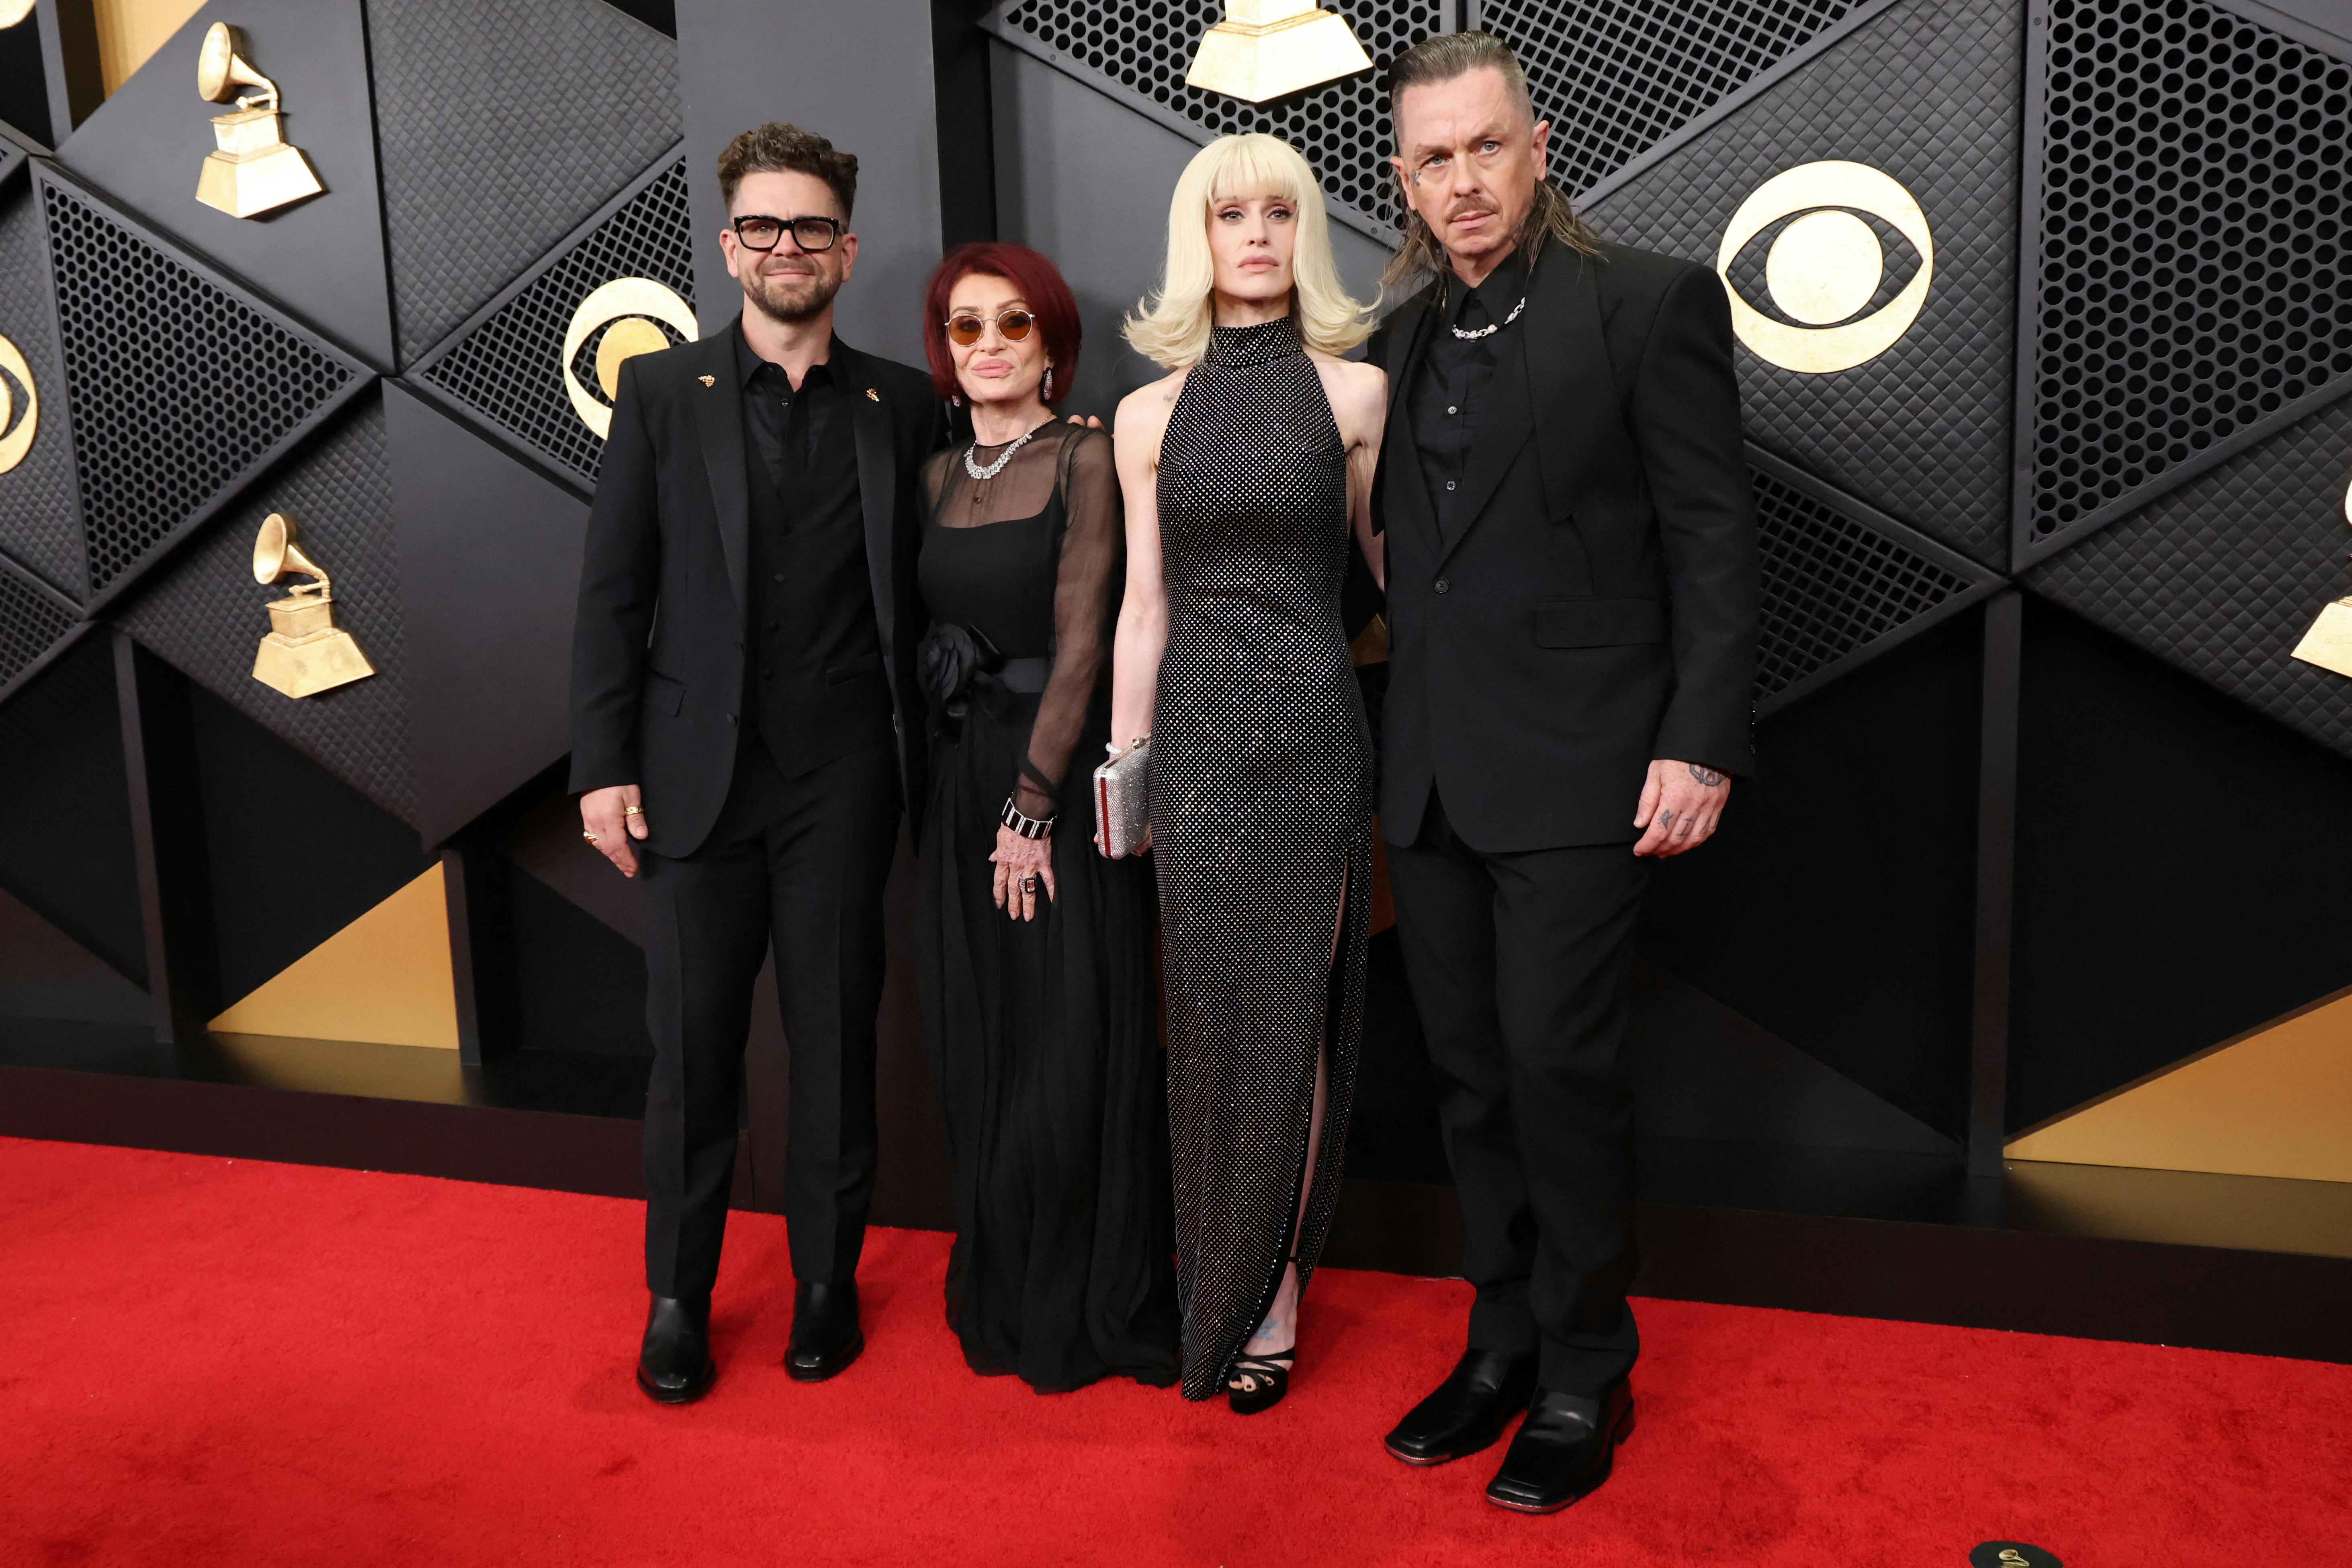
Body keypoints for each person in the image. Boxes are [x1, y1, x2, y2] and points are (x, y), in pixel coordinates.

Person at [1366, 34, 1758, 1511]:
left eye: (1484, 147)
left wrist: (1701, 738)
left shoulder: (1647, 303)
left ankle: (1590, 1364)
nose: (1461, 181)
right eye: (1431, 158)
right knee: (1469, 1077)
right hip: (1433, 775)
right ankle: (1504, 1337)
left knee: (1558, 1070)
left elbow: (1713, 540)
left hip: (1593, 771)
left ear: (1538, 148)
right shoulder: (1395, 337)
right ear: (1401, 180)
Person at [569, 123, 944, 1404]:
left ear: (848, 245)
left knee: (835, 1044)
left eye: (814, 228)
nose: (790, 248)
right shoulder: (665, 394)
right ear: (731, 247)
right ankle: (679, 1298)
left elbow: (939, 587)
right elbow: (613, 593)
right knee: (694, 1053)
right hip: (689, 780)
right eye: (765, 228)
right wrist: (601, 764)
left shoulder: (906, 402)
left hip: (843, 777)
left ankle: (826, 1287)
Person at [1105, 133, 1388, 1412]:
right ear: (1200, 237)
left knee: (1298, 1019)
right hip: (1202, 754)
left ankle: (1273, 1293)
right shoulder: (1146, 414)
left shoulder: (1356, 396)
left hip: (1317, 740)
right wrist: (1128, 771)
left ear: (1305, 231)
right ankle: (1211, 1272)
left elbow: (1391, 586)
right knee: (1212, 1019)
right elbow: (1143, 610)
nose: (1258, 235)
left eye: (1281, 212)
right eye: (1232, 216)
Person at [911, 242, 1179, 1392]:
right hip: (955, 774)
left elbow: (1084, 642)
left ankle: (1082, 1294)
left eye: (1012, 325)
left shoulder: (1085, 456)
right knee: (985, 1043)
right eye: (966, 328)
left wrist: (1032, 806)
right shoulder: (935, 476)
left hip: (1048, 791)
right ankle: (1009, 1278)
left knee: (1067, 1043)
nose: (988, 349)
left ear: (1052, 345)